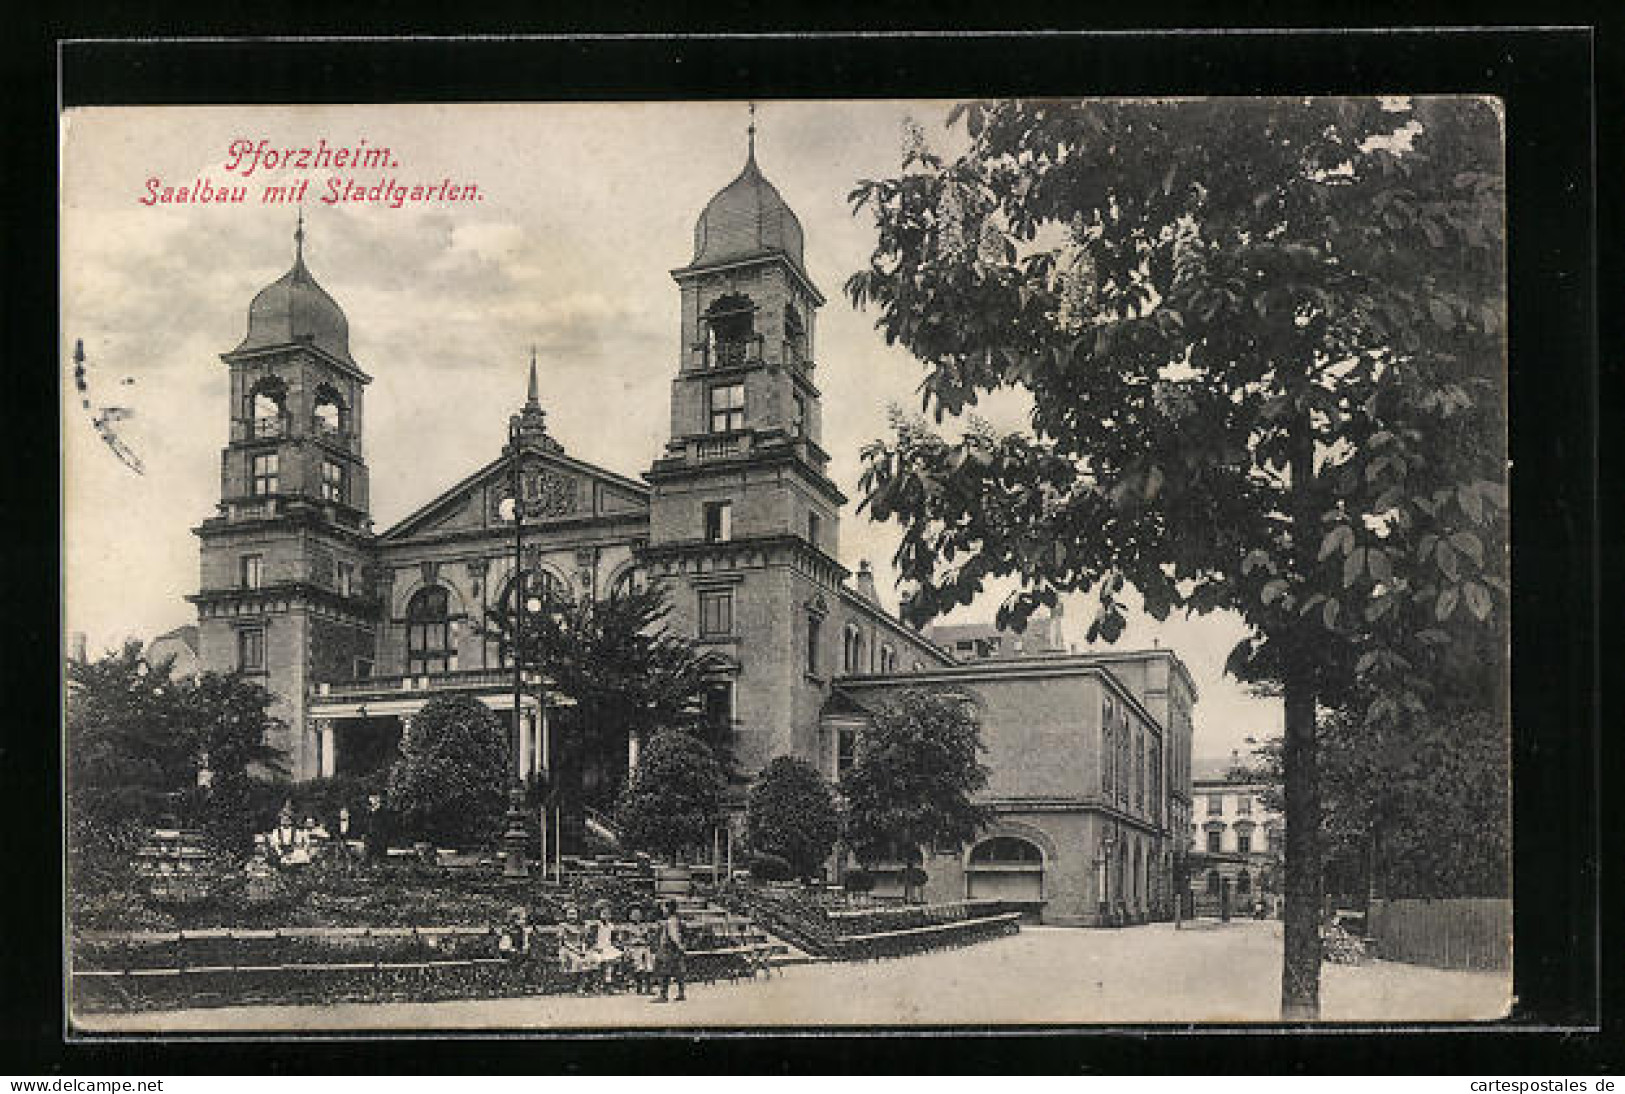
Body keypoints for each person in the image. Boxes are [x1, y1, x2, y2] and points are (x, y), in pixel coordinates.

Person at [652, 899, 687, 1003]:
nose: (663, 910)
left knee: (665, 972)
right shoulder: (675, 919)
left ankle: (664, 995)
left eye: (664, 907)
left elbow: (673, 935)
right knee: (678, 971)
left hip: (669, 949)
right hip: (674, 949)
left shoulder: (671, 921)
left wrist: (679, 945)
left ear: (668, 909)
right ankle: (681, 993)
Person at [584, 902, 625, 992]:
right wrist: (594, 947)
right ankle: (596, 984)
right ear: (599, 913)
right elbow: (589, 939)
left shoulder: (611, 925)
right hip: (596, 947)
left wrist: (618, 943)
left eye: (608, 913)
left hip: (608, 947)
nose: (606, 915)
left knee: (615, 960)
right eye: (604, 913)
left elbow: (613, 939)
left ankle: (609, 983)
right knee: (598, 960)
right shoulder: (595, 925)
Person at [618, 905, 656, 995]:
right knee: (639, 961)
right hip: (632, 948)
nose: (637, 916)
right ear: (630, 916)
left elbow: (649, 939)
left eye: (638, 914)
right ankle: (639, 987)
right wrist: (630, 943)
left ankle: (648, 987)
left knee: (649, 960)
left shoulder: (645, 926)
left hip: (644, 947)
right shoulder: (626, 927)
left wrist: (646, 941)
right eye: (634, 914)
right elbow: (622, 941)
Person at [556, 905, 590, 993]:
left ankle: (581, 986)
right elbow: (564, 942)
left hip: (578, 949)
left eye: (574, 914)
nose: (572, 916)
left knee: (589, 959)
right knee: (578, 960)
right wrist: (577, 951)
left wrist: (583, 950)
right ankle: (573, 986)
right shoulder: (562, 926)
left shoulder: (580, 926)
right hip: (566, 949)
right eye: (570, 914)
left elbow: (583, 941)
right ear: (566, 915)